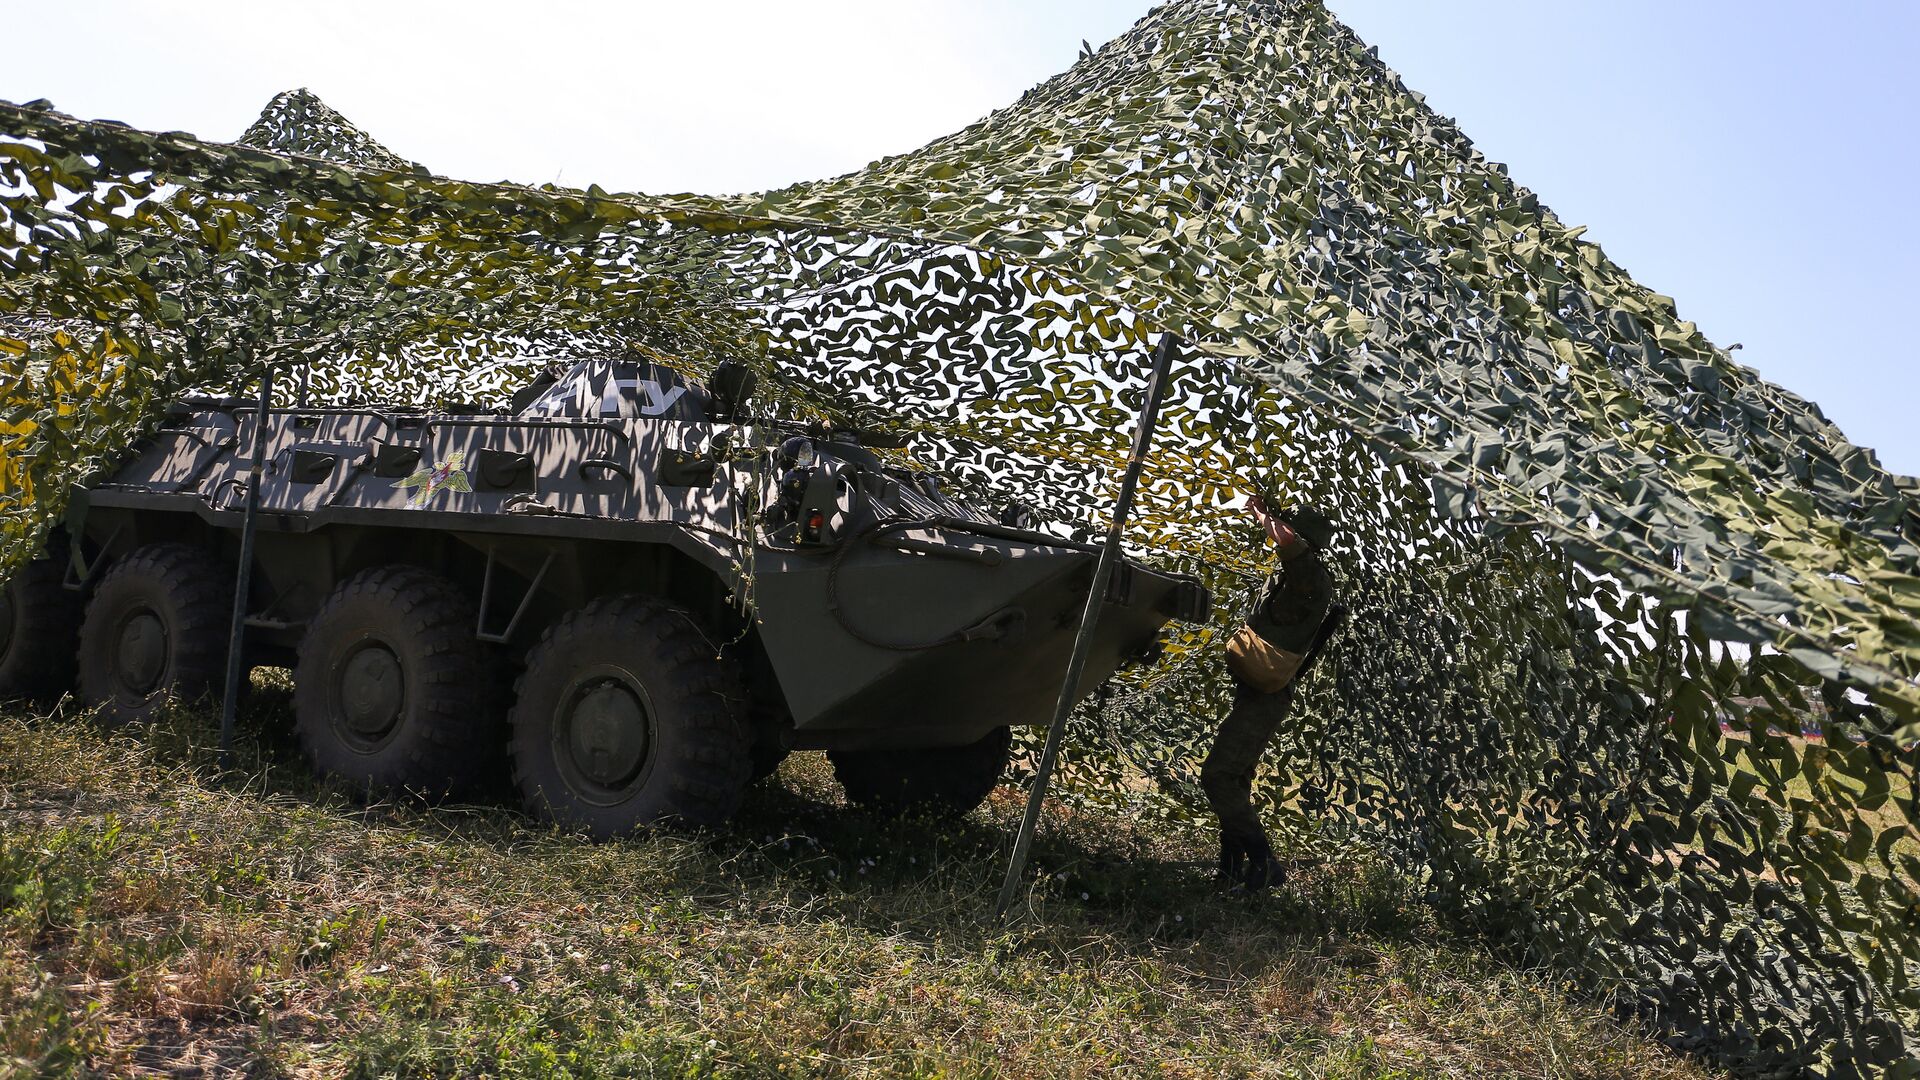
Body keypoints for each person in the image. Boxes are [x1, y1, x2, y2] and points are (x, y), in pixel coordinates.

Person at [1201, 494, 1337, 890]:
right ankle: (1231, 869)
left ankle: (1265, 865)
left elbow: (1288, 541)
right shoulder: (1297, 575)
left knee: (1218, 776)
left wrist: (1262, 513)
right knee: (1235, 777)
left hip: (1267, 695)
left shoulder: (1308, 573)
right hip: (1257, 689)